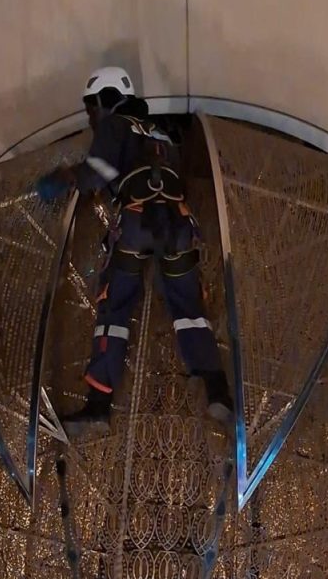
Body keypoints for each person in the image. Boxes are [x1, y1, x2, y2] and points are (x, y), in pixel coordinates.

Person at [35, 66, 233, 438]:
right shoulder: (163, 135)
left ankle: (97, 407)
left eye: (91, 107)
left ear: (105, 99)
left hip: (137, 223)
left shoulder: (115, 126)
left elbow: (98, 170)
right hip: (179, 226)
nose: (91, 117)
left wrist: (62, 179)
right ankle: (218, 391)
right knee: (190, 311)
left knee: (114, 308)